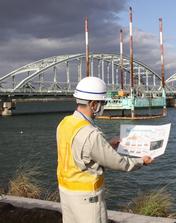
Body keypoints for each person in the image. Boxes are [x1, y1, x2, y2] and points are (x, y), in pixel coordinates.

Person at [56, 77, 153, 223]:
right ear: (93, 104)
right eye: (103, 102)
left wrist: (107, 145)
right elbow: (119, 162)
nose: (104, 106)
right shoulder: (90, 134)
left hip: (66, 193)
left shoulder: (65, 123)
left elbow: (80, 151)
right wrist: (141, 161)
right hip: (87, 197)